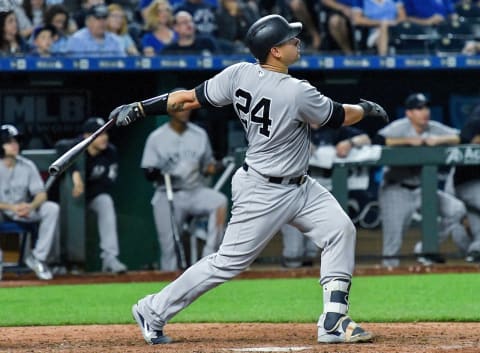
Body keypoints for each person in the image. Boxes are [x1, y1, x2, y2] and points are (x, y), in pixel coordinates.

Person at [109, 14, 388, 345]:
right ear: (274, 51)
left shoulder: (239, 73)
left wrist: (141, 108)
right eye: (289, 40)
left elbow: (185, 99)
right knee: (226, 263)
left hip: (299, 186)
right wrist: (366, 108)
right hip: (264, 190)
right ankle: (152, 309)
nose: (296, 42)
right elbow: (341, 116)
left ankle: (333, 320)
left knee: (340, 230)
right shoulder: (296, 91)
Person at [375, 93, 470, 268]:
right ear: (409, 113)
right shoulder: (400, 127)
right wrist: (406, 141)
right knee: (393, 243)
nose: (424, 111)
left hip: (422, 189)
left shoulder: (433, 128)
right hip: (396, 190)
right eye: (419, 108)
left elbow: (462, 137)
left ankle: (425, 248)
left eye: (426, 107)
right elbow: (377, 140)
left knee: (456, 209)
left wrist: (438, 139)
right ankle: (388, 276)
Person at [141, 95, 228, 271]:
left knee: (219, 201)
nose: (185, 110)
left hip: (195, 191)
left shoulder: (199, 134)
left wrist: (217, 166)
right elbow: (148, 171)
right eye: (180, 106)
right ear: (171, 109)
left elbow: (207, 166)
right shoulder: (157, 137)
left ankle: (209, 259)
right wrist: (160, 173)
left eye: (188, 106)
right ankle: (169, 280)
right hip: (167, 193)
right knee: (169, 246)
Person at [282, 125, 372, 268]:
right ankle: (285, 281)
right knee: (293, 251)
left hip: (318, 192)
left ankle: (300, 282)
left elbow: (366, 138)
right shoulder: (294, 126)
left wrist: (350, 143)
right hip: (293, 191)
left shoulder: (333, 128)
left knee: (311, 250)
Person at [0, 124, 60, 280]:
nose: (14, 145)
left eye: (16, 141)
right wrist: (11, 207)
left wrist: (31, 206)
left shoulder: (27, 165)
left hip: (24, 210)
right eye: (9, 142)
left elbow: (41, 194)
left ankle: (38, 258)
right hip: (3, 212)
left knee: (51, 208)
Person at [68, 117, 128, 273]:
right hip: (71, 201)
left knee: (106, 202)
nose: (104, 138)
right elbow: (60, 148)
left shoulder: (110, 152)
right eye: (99, 134)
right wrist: (75, 174)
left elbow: (107, 183)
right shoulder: (75, 147)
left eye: (105, 133)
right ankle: (64, 263)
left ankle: (110, 258)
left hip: (93, 197)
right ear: (87, 137)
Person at [451, 106, 480, 263]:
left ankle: (475, 251)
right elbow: (464, 139)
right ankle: (423, 250)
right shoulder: (477, 118)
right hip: (468, 181)